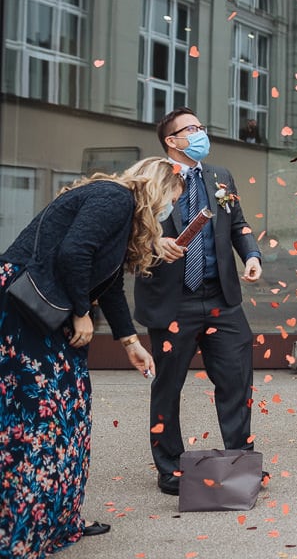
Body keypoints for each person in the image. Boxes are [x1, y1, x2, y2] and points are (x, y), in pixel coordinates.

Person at [0, 157, 176, 554]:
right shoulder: (114, 197)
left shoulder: (122, 214)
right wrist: (82, 313)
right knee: (38, 414)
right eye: (172, 199)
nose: (169, 211)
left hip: (52, 308)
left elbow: (109, 285)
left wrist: (131, 343)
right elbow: (73, 252)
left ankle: (59, 519)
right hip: (29, 307)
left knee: (69, 410)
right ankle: (24, 528)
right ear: (159, 188)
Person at [134, 107, 264, 496]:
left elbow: (238, 223)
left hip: (221, 297)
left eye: (202, 127)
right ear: (171, 140)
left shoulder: (219, 176)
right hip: (172, 300)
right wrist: (155, 243)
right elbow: (132, 231)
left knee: (236, 380)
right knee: (168, 385)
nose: (200, 133)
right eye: (191, 129)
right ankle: (169, 467)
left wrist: (252, 254)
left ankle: (240, 461)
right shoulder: (149, 179)